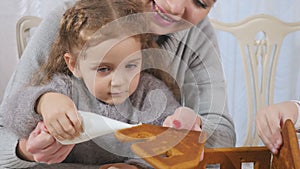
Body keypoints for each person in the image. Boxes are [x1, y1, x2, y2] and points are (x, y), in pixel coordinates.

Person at [0, 0, 236, 168]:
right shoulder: (74, 26)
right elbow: (7, 124)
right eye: (103, 69)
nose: (174, 7)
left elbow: (213, 139)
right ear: (73, 64)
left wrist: (185, 132)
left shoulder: (149, 92)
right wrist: (40, 108)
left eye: (200, 2)